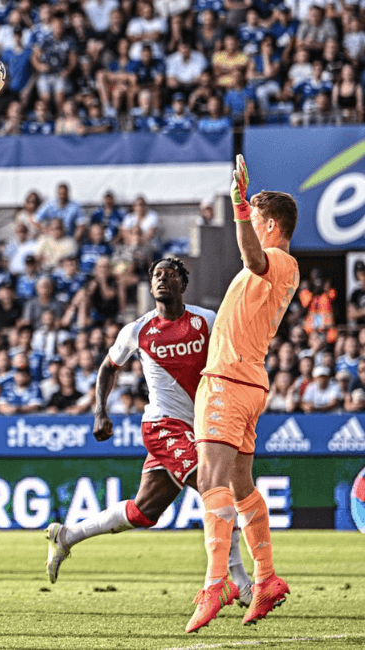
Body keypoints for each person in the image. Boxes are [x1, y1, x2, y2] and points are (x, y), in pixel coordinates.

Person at [45, 259, 253, 602]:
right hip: (162, 426)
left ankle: (67, 536)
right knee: (215, 488)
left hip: (199, 426)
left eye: (170, 275)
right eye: (157, 275)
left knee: (143, 512)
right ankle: (238, 580)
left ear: (182, 285)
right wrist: (100, 411)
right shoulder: (137, 330)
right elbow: (107, 368)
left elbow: (230, 358)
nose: (161, 279)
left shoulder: (207, 320)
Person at [187, 156, 300, 633]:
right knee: (239, 485)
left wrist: (236, 203)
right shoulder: (283, 267)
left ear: (269, 224)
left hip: (229, 382)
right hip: (248, 381)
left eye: (255, 219)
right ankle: (267, 577)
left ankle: (217, 583)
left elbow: (253, 256)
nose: (249, 226)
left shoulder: (276, 259)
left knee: (209, 478)